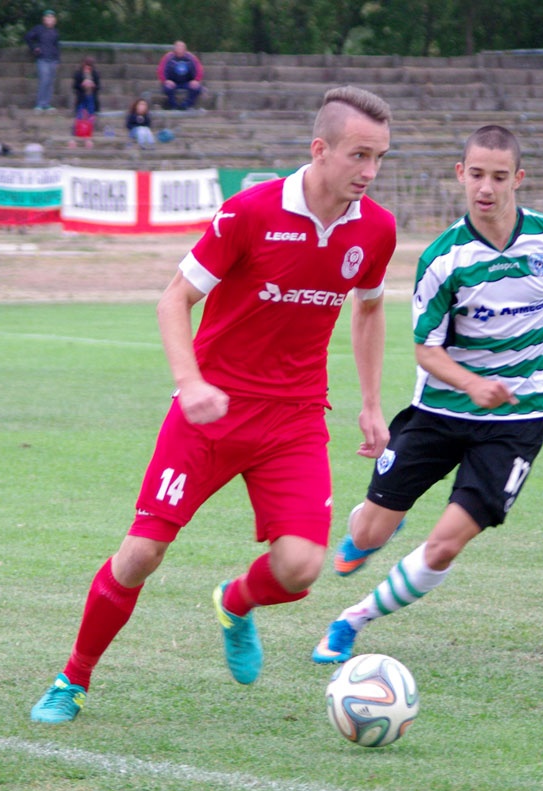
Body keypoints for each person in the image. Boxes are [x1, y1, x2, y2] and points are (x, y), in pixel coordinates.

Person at [29, 85, 398, 724]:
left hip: (294, 418)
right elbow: (174, 298)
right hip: (212, 412)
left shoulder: (376, 229)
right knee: (141, 554)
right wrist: (191, 381)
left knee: (300, 568)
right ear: (320, 150)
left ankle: (235, 602)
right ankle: (73, 678)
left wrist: (371, 403)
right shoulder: (250, 212)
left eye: (379, 158)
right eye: (358, 156)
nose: (369, 172)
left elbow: (368, 309)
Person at [310, 124, 543, 667]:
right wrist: (473, 384)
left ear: (518, 178)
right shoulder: (443, 260)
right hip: (438, 412)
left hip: (518, 420)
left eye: (499, 177)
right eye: (476, 174)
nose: (486, 187)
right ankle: (376, 524)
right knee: (369, 530)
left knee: (445, 544)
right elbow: (425, 351)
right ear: (460, 174)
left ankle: (352, 621)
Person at [23, 9, 59, 111]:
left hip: (53, 59)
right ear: (44, 19)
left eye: (51, 17)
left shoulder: (55, 32)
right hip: (42, 59)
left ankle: (47, 103)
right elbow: (28, 37)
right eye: (48, 17)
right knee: (44, 80)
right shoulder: (38, 29)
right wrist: (34, 48)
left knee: (50, 82)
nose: (49, 19)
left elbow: (57, 46)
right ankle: (39, 103)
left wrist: (58, 59)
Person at [158, 39, 203, 110]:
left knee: (197, 88)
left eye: (182, 47)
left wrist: (196, 80)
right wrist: (166, 81)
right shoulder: (168, 57)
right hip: (172, 82)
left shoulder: (191, 57)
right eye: (178, 47)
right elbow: (161, 70)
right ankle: (173, 106)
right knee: (167, 88)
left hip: (187, 82)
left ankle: (186, 105)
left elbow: (199, 69)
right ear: (174, 48)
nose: (180, 48)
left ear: (185, 49)